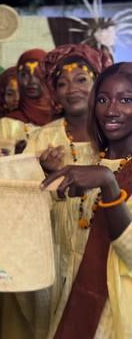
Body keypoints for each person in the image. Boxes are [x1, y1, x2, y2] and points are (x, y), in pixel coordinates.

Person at [41, 62, 132, 338]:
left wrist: (109, 183)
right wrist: (50, 179)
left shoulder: (100, 173)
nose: (111, 110)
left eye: (126, 100)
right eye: (103, 99)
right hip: (72, 302)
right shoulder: (88, 165)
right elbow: (64, 240)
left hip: (117, 312)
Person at [24, 43, 113, 173]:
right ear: (55, 92)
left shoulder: (117, 133)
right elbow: (22, 188)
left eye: (81, 80)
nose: (72, 90)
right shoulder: (42, 138)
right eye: (62, 84)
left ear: (98, 84)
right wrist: (45, 173)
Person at [0, 49, 54, 141]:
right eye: (24, 75)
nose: (16, 98)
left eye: (38, 75)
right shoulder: (6, 125)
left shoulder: (64, 121)